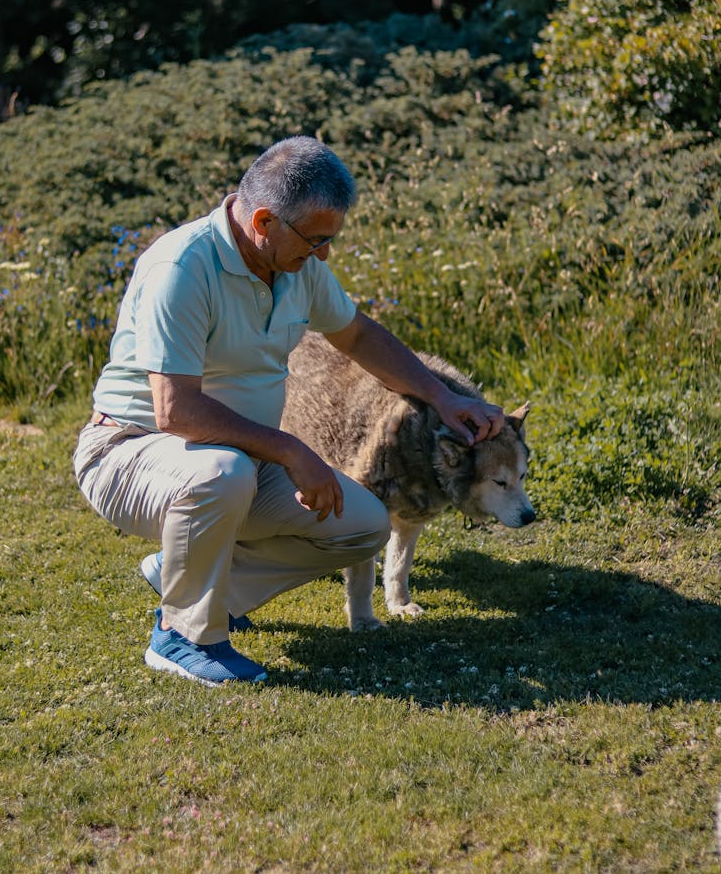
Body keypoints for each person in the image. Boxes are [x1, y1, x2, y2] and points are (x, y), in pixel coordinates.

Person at [73, 136, 504, 686]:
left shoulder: (296, 265)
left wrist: (444, 398)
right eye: (317, 239)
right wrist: (291, 449)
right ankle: (182, 637)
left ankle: (186, 575)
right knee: (221, 473)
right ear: (264, 221)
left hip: (237, 463)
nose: (324, 254)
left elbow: (357, 335)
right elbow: (175, 410)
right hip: (128, 451)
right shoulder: (181, 267)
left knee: (363, 524)